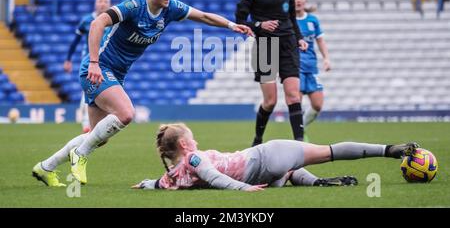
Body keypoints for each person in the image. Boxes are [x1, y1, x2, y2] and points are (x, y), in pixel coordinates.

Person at [32, 0, 254, 187]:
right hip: (98, 69)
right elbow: (98, 23)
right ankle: (80, 154)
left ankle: (46, 167)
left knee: (97, 138)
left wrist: (231, 25)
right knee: (126, 113)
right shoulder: (134, 6)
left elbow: (204, 16)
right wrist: (95, 64)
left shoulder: (170, 9)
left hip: (116, 74)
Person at [132, 123, 418, 191]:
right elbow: (214, 176)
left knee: (291, 172)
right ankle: (388, 150)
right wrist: (245, 189)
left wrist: (145, 185)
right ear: (184, 143)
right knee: (329, 151)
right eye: (191, 138)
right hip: (266, 156)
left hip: (267, 171)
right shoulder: (193, 159)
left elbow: (157, 183)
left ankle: (318, 182)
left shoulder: (174, 175)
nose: (195, 141)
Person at [235, 0, 308, 146]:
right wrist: (260, 24)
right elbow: (239, 20)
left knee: (294, 96)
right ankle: (258, 139)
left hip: (288, 44)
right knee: (271, 101)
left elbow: (292, 17)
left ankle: (300, 144)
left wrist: (299, 37)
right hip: (266, 47)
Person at [63, 0, 111, 133]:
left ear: (109, 4)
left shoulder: (113, 20)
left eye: (105, 1)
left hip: (107, 61)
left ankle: (98, 122)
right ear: (95, 4)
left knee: (103, 91)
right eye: (100, 1)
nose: (102, 4)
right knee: (88, 91)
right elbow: (75, 41)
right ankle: (86, 124)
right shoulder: (87, 20)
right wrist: (68, 59)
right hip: (90, 61)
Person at [293, 0, 330, 133]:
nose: (298, 0)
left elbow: (320, 41)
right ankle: (298, 136)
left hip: (311, 67)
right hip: (295, 67)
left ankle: (301, 128)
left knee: (318, 105)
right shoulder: (289, 21)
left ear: (305, 0)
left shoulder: (312, 20)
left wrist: (326, 59)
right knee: (297, 103)